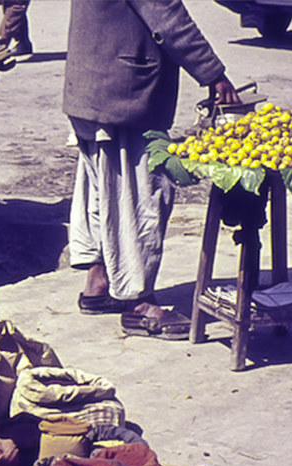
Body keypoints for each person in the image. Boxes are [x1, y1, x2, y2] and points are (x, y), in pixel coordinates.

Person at [64, 0, 241, 340]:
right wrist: (214, 74)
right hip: (125, 92)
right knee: (140, 193)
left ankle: (99, 283)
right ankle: (139, 305)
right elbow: (166, 15)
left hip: (90, 83)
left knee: (103, 185)